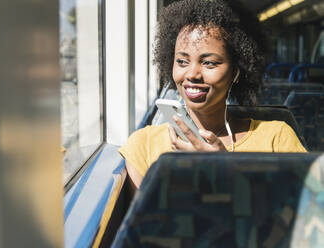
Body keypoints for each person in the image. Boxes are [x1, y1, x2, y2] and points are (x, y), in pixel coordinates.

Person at [119, 0, 306, 190]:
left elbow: (306, 211)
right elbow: (143, 219)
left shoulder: (277, 138)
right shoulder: (144, 144)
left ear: (236, 72)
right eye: (182, 61)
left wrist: (227, 169)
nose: (192, 74)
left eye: (209, 63)